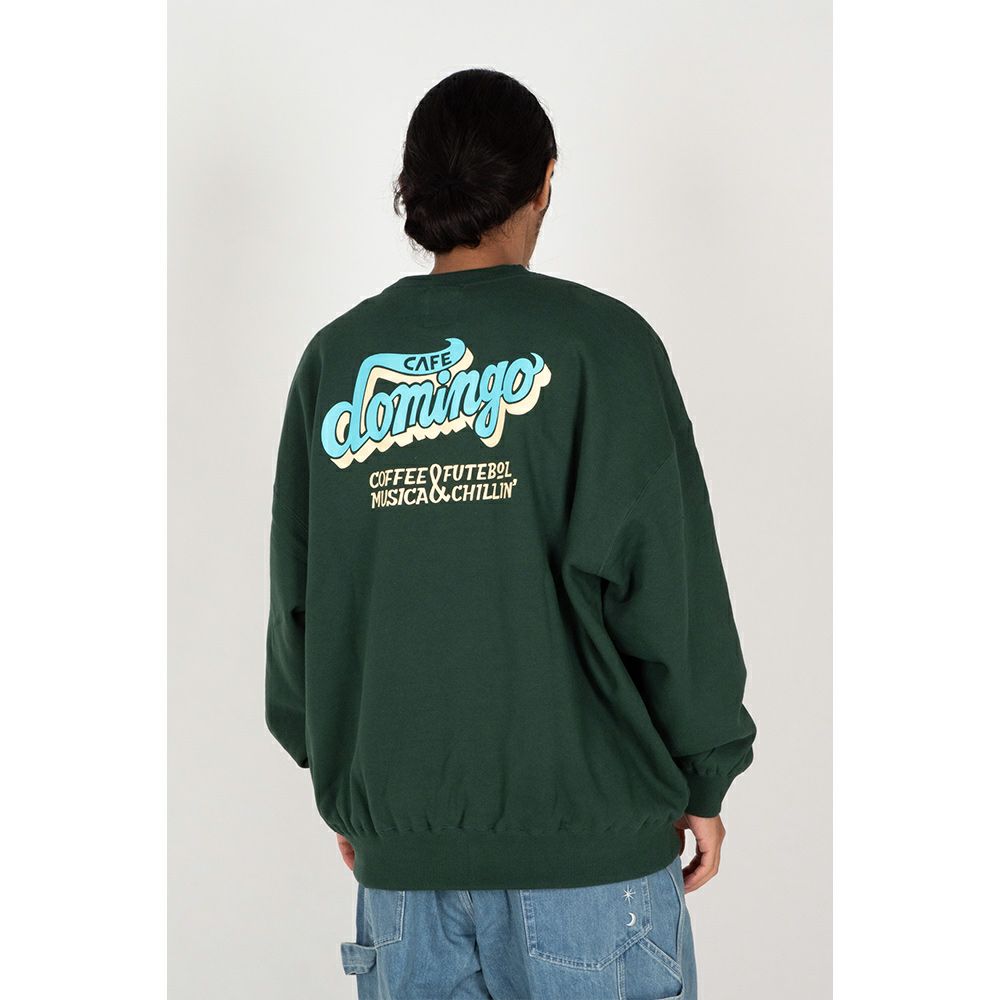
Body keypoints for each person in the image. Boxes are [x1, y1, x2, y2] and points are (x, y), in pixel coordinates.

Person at [266, 67, 755, 1000]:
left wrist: (367, 788)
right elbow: (671, 589)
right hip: (592, 861)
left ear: (413, 188)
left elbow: (302, 605)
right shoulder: (602, 346)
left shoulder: (337, 361)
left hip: (404, 874)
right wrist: (705, 777)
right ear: (544, 181)